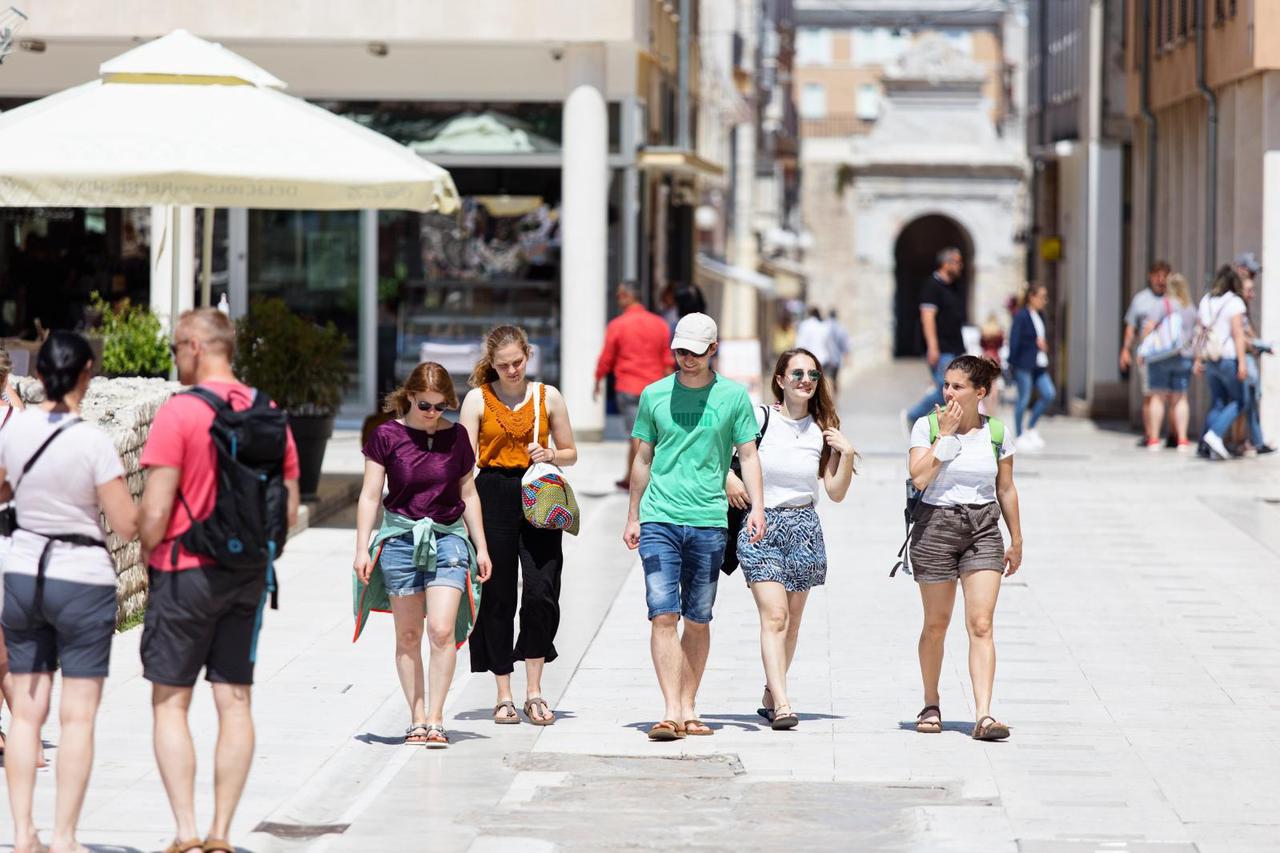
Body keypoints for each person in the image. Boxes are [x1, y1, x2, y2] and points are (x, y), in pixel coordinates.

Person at [137, 308, 301, 853]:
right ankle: (221, 835)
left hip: (184, 569)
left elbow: (155, 508)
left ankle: (185, 832)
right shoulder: (269, 410)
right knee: (235, 702)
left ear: (193, 346)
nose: (175, 359)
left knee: (171, 702)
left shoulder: (179, 413)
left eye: (175, 349)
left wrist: (149, 558)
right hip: (248, 574)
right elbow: (291, 503)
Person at [0, 331, 138, 853]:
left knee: (28, 713)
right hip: (82, 581)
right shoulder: (93, 441)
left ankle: (20, 835)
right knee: (77, 716)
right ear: (87, 374)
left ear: (36, 376)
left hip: (24, 575)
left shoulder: (15, 432)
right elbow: (124, 523)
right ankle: (63, 837)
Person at [623, 312, 765, 742]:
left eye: (696, 352)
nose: (687, 359)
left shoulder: (734, 397)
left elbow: (750, 455)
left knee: (698, 618)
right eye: (681, 351)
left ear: (713, 350)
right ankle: (670, 711)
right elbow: (643, 458)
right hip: (659, 518)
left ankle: (689, 705)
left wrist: (757, 507)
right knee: (662, 614)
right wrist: (632, 514)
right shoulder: (654, 395)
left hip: (708, 520)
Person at [354, 362, 493, 748]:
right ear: (410, 397)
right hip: (400, 540)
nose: (434, 415)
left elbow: (468, 495)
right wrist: (362, 547)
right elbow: (369, 495)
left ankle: (436, 718)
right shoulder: (385, 436)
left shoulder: (459, 438)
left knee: (442, 629)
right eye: (426, 406)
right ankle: (415, 717)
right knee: (409, 634)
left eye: (441, 407)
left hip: (448, 539)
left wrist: (481, 546)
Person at [726, 348, 855, 730]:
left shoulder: (823, 428)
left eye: (813, 375)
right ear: (780, 380)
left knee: (793, 622)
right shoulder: (759, 418)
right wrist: (729, 479)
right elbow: (716, 454)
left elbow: (834, 491)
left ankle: (770, 691)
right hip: (761, 524)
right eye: (797, 373)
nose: (805, 380)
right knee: (776, 615)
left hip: (804, 527)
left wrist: (845, 454)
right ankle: (782, 703)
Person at [458, 325, 578, 726]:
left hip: (538, 487)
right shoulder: (477, 399)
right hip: (492, 492)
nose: (511, 370)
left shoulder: (548, 396)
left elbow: (571, 452)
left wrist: (551, 453)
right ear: (491, 364)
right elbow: (462, 464)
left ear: (528, 355)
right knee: (498, 593)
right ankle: (503, 692)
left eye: (517, 362)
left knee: (542, 589)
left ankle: (536, 690)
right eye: (503, 364)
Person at [907, 355, 1023, 742]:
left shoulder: (997, 433)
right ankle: (930, 703)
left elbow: (1005, 487)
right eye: (946, 385)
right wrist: (946, 437)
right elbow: (919, 477)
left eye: (957, 386)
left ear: (980, 392)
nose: (948, 393)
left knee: (981, 624)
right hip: (936, 526)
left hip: (983, 528)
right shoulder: (927, 427)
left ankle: (984, 714)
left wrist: (1016, 538)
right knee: (936, 624)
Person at [594, 283, 675, 490]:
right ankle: (629, 475)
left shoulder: (618, 325)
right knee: (645, 433)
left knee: (638, 435)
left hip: (629, 386)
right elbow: (667, 359)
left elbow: (607, 357)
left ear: (625, 297)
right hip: (655, 387)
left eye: (618, 295)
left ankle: (641, 480)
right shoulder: (659, 324)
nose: (617, 299)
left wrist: (598, 379)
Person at [902, 248, 967, 432]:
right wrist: (932, 346)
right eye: (957, 261)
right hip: (941, 348)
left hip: (954, 347)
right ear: (945, 263)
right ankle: (914, 415)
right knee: (945, 389)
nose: (960, 266)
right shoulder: (932, 286)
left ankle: (941, 426)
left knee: (952, 389)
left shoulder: (953, 286)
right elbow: (927, 317)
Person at [1194, 266, 1250, 461]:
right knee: (1239, 401)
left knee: (1218, 402)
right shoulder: (1235, 303)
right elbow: (1238, 334)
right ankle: (1214, 435)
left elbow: (1200, 332)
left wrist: (1198, 358)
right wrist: (1242, 363)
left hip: (1211, 358)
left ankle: (1203, 443)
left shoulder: (1206, 300)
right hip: (1228, 357)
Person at [1138, 273, 1197, 451]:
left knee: (1158, 396)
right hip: (1184, 357)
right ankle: (1182, 439)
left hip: (1161, 357)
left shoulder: (1163, 304)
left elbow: (1148, 327)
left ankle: (1154, 439)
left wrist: (1143, 348)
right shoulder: (1190, 308)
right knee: (1180, 398)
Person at [1120, 261, 1172, 447]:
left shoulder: (1173, 298)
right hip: (1148, 354)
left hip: (1171, 353)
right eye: (1157, 275)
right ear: (1150, 276)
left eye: (1164, 276)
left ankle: (1173, 433)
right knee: (1150, 394)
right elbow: (1131, 327)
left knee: (1173, 395)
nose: (1160, 280)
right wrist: (1125, 349)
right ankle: (1150, 433)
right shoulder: (1140, 299)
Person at [1008, 285, 1056, 451]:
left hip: (1039, 363)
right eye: (1042, 296)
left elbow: (1039, 337)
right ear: (1031, 297)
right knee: (1024, 398)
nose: (1045, 300)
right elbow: (1015, 340)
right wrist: (1011, 364)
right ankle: (1019, 434)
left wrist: (1042, 345)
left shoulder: (1041, 315)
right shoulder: (1021, 316)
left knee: (1049, 394)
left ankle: (1031, 427)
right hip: (1024, 363)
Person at [1239, 273, 1275, 455]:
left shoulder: (1244, 309)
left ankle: (1256, 441)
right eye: (1249, 290)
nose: (1252, 294)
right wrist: (1258, 344)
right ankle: (1238, 442)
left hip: (1248, 361)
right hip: (1243, 363)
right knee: (1240, 404)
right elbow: (1242, 337)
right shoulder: (1237, 309)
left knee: (1251, 404)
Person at [823, 310, 851, 395]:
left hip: (826, 358)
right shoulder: (841, 328)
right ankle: (835, 399)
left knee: (827, 381)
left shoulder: (824, 326)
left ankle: (830, 401)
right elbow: (845, 344)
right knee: (836, 380)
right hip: (837, 359)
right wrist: (847, 358)